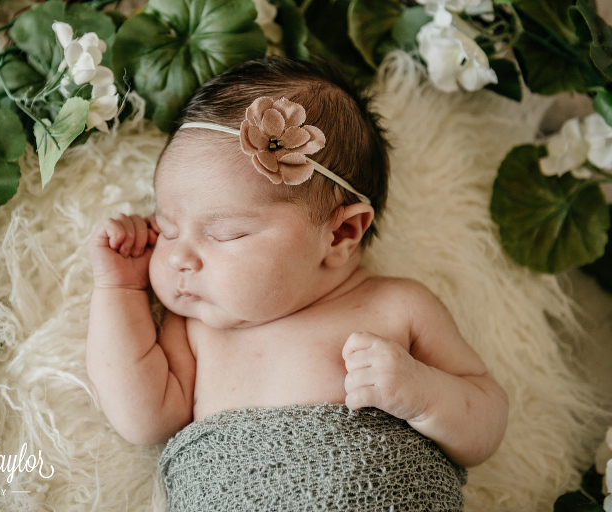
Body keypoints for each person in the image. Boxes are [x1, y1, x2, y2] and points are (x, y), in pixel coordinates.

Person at [86, 58, 508, 511]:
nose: (177, 256)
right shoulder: (199, 329)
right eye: (167, 227)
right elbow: (141, 419)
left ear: (340, 235)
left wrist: (423, 393)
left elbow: (485, 419)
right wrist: (120, 290)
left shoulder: (396, 305)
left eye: (226, 233)